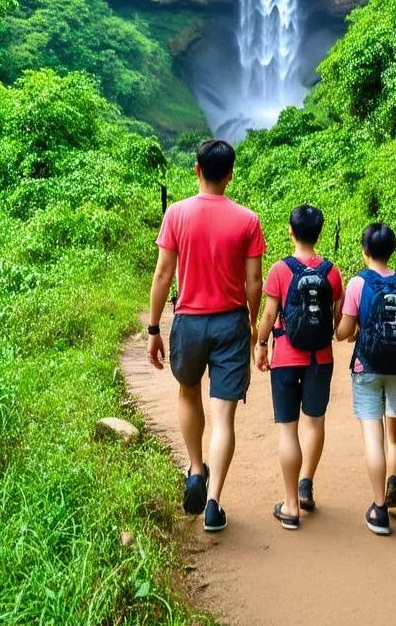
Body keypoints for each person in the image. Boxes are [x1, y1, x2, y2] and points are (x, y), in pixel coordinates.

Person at [147, 139, 265, 533]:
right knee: (224, 416)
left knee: (188, 391)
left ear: (196, 169)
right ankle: (214, 503)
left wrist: (152, 328)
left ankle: (195, 468)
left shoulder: (176, 214)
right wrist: (251, 323)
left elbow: (163, 274)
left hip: (189, 321)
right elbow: (253, 280)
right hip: (231, 322)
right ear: (230, 174)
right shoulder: (247, 220)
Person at [255, 205, 344, 530]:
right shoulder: (332, 273)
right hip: (320, 359)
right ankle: (306, 482)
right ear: (318, 233)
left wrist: (261, 344)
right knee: (314, 423)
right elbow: (336, 321)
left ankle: (290, 505)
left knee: (288, 430)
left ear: (290, 231)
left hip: (286, 359)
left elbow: (268, 315)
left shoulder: (280, 270)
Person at [336, 223, 396, 536]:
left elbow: (343, 331)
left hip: (367, 368)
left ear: (365, 251)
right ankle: (394, 479)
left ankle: (379, 508)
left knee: (374, 438)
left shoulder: (358, 284)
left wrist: (358, 330)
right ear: (392, 249)